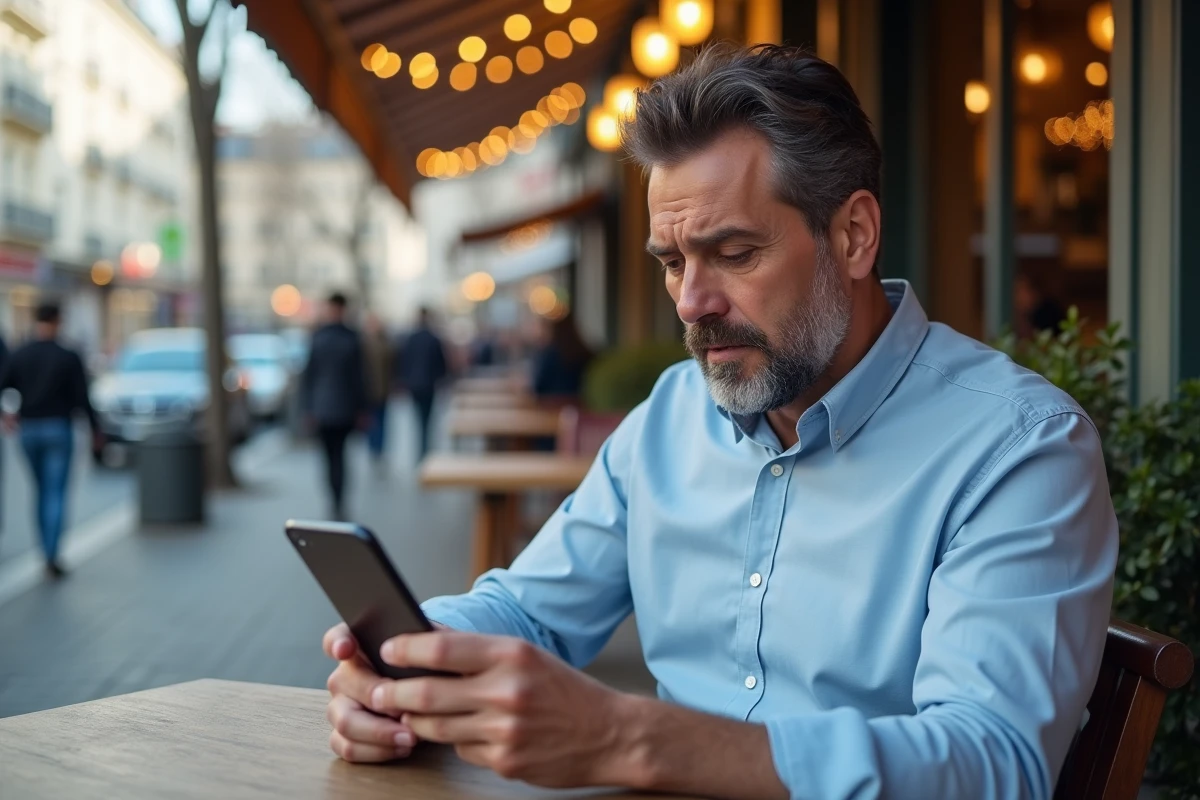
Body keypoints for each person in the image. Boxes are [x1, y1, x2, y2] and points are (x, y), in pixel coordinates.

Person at [321, 44, 1117, 799]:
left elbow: (991, 765)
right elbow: (528, 611)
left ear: (853, 234)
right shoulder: (672, 413)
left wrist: (626, 738)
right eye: (672, 262)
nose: (693, 302)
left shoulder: (1020, 447)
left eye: (734, 253)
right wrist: (406, 657)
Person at [0, 302, 102, 578]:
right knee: (54, 492)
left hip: (29, 430)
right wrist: (95, 430)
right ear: (58, 320)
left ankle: (44, 548)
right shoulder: (68, 355)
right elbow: (83, 398)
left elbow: (3, 384)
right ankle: (51, 553)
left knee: (41, 490)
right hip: (58, 428)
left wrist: (6, 415)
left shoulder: (20, 354)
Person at [301, 293, 367, 520]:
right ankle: (337, 499)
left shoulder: (319, 337)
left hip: (330, 408)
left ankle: (336, 499)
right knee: (336, 457)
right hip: (337, 407)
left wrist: (309, 407)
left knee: (334, 457)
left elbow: (309, 376)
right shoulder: (350, 338)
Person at [397, 307, 447, 461]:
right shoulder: (433, 338)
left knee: (418, 418)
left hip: (415, 385)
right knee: (427, 419)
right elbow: (441, 364)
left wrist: (405, 380)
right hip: (429, 385)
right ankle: (425, 450)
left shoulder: (411, 338)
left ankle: (422, 451)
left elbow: (404, 361)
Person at [530, 313, 594, 400]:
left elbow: (539, 386)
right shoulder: (584, 352)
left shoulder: (551, 354)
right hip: (578, 402)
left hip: (550, 404)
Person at [361, 313, 393, 469]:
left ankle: (379, 450)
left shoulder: (385, 342)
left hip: (383, 390)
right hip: (368, 391)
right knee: (371, 423)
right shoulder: (362, 343)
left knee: (382, 422)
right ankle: (373, 450)